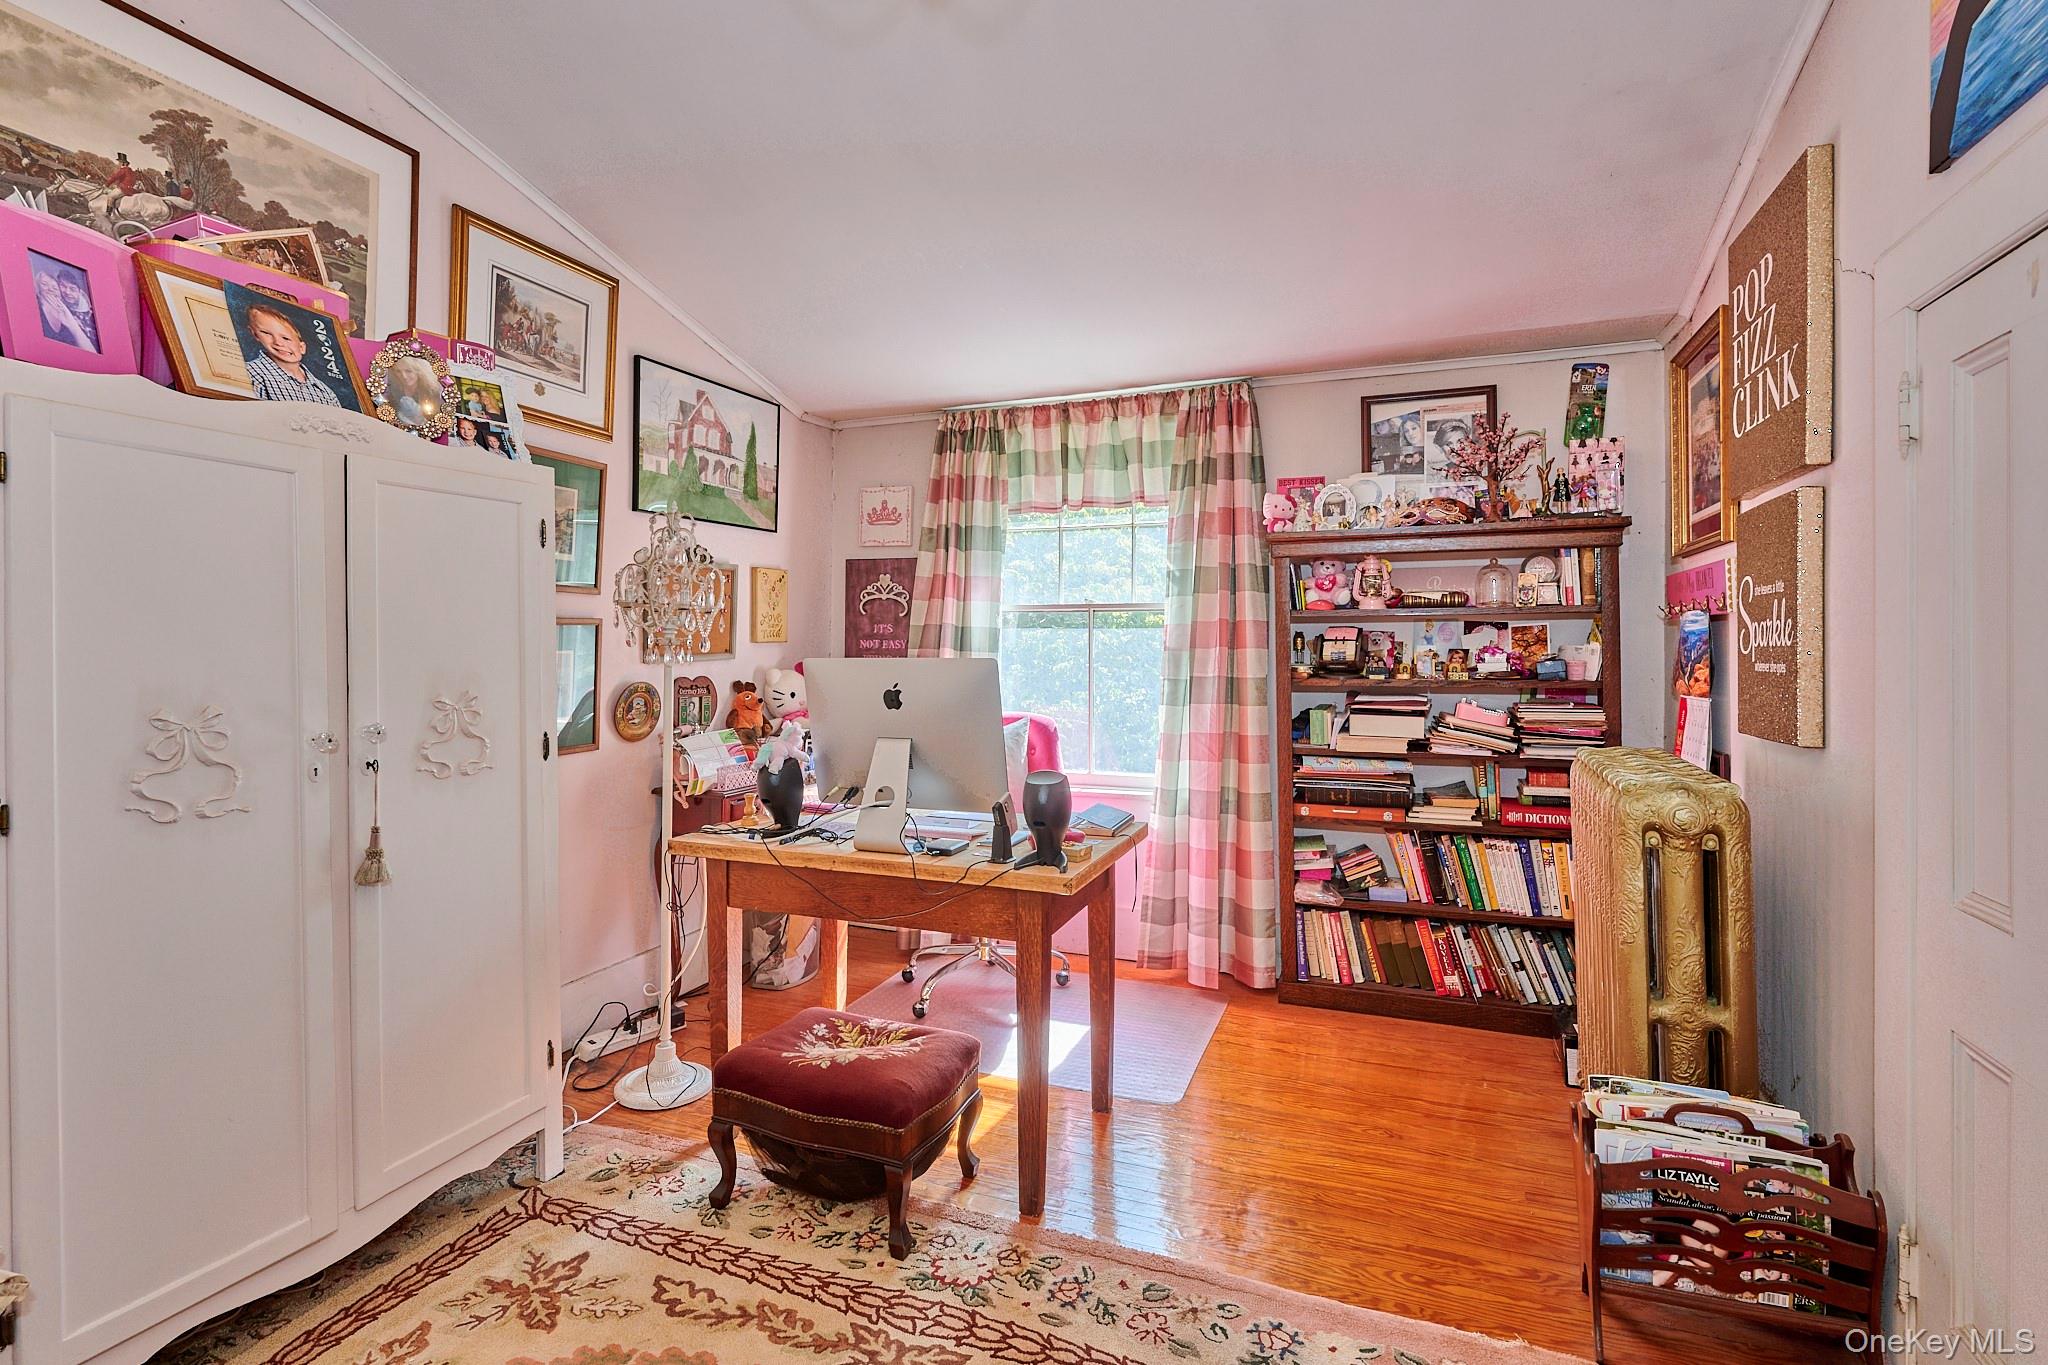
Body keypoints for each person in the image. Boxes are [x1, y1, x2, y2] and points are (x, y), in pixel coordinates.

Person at [244, 303, 341, 405]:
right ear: (255, 334)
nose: (278, 342)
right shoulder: (252, 374)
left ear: (302, 348)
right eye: (266, 333)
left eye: (286, 338)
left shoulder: (326, 392)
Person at [34, 269, 95, 349]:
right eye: (63, 286)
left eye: (72, 289)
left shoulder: (84, 317)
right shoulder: (36, 308)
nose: (67, 292)